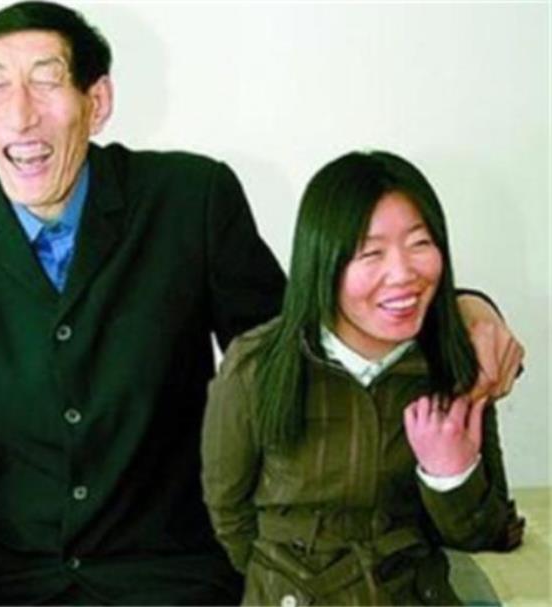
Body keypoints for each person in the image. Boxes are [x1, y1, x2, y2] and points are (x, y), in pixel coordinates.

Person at [0, 2, 522, 605]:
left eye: (45, 81)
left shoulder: (191, 199)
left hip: (175, 572)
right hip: (12, 580)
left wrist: (462, 307)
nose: (19, 115)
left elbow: (297, 348)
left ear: (97, 101)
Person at [201, 151, 524, 606]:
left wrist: (451, 475)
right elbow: (229, 516)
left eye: (419, 243)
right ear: (323, 262)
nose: (403, 274)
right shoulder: (256, 365)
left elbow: (487, 532)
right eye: (371, 253)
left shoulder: (454, 363)